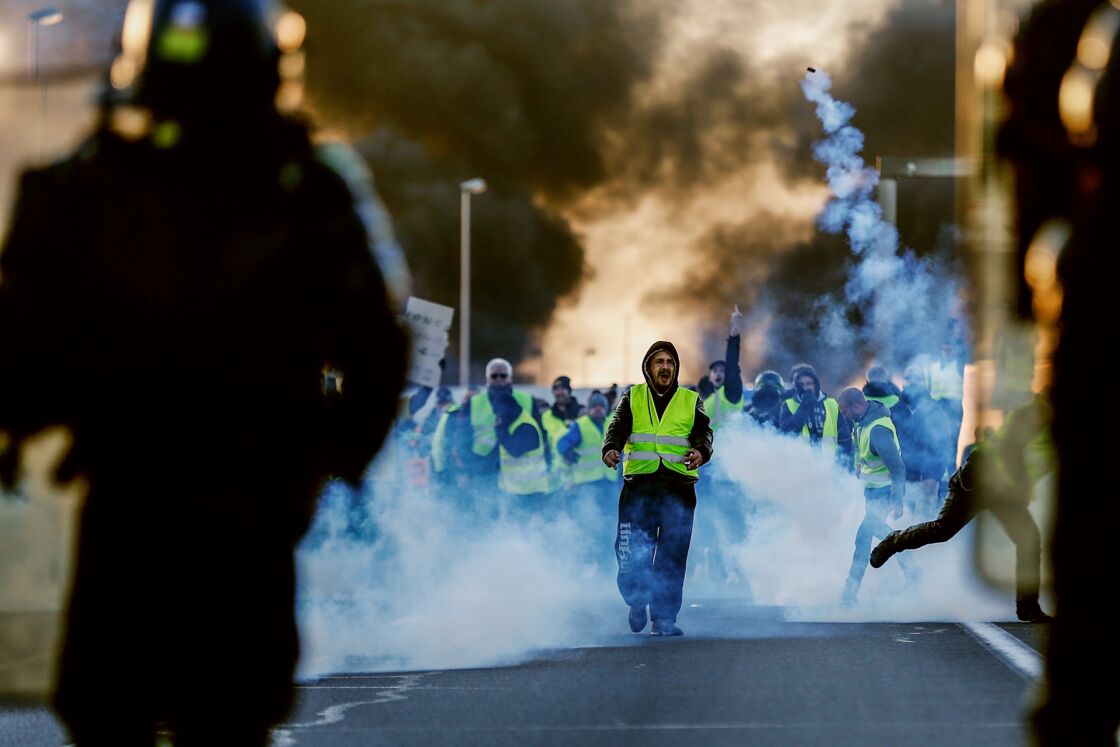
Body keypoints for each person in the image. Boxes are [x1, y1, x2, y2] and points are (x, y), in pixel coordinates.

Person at [0, 1, 406, 743]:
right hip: (247, 517)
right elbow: (378, 347)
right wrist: (323, 460)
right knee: (227, 718)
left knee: (111, 714)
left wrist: (29, 425)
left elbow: (21, 343)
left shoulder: (82, 188)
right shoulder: (309, 189)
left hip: (127, 508)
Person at [868, 393, 1054, 624]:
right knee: (942, 530)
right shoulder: (1032, 414)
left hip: (1005, 491)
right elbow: (1011, 451)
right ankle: (893, 541)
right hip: (976, 481)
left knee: (1029, 540)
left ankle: (1028, 608)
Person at [602, 342, 713, 636]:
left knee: (673, 554)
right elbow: (617, 427)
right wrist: (610, 448)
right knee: (631, 549)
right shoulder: (632, 397)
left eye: (670, 363)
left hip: (678, 488)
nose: (665, 367)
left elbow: (704, 432)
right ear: (648, 367)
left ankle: (664, 618)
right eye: (659, 362)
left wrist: (702, 451)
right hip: (639, 488)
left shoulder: (691, 400)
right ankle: (637, 601)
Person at [836, 388, 916, 604]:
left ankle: (848, 596)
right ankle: (914, 572)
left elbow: (898, 468)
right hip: (871, 492)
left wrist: (897, 501)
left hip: (883, 493)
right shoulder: (862, 422)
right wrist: (859, 464)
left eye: (844, 411)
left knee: (862, 539)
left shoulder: (878, 429)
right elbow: (866, 454)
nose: (843, 416)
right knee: (883, 537)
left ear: (856, 407)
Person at [892, 365, 954, 518]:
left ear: (925, 383)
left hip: (928, 479)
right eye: (909, 378)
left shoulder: (935, 411)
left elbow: (944, 446)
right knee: (903, 520)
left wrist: (934, 477)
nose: (913, 382)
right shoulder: (894, 411)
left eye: (918, 379)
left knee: (926, 519)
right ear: (903, 383)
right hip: (903, 478)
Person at [778, 363, 853, 466]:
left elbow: (844, 439)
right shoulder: (788, 405)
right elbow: (787, 433)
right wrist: (805, 406)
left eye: (809, 384)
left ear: (816, 384)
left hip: (830, 466)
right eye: (801, 385)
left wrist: (843, 465)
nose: (806, 388)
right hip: (799, 466)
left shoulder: (832, 404)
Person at [703, 305, 746, 432]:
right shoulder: (706, 401)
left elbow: (732, 364)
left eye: (722, 371)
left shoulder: (731, 392)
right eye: (715, 371)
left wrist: (735, 333)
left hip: (730, 449)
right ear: (710, 377)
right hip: (710, 451)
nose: (718, 374)